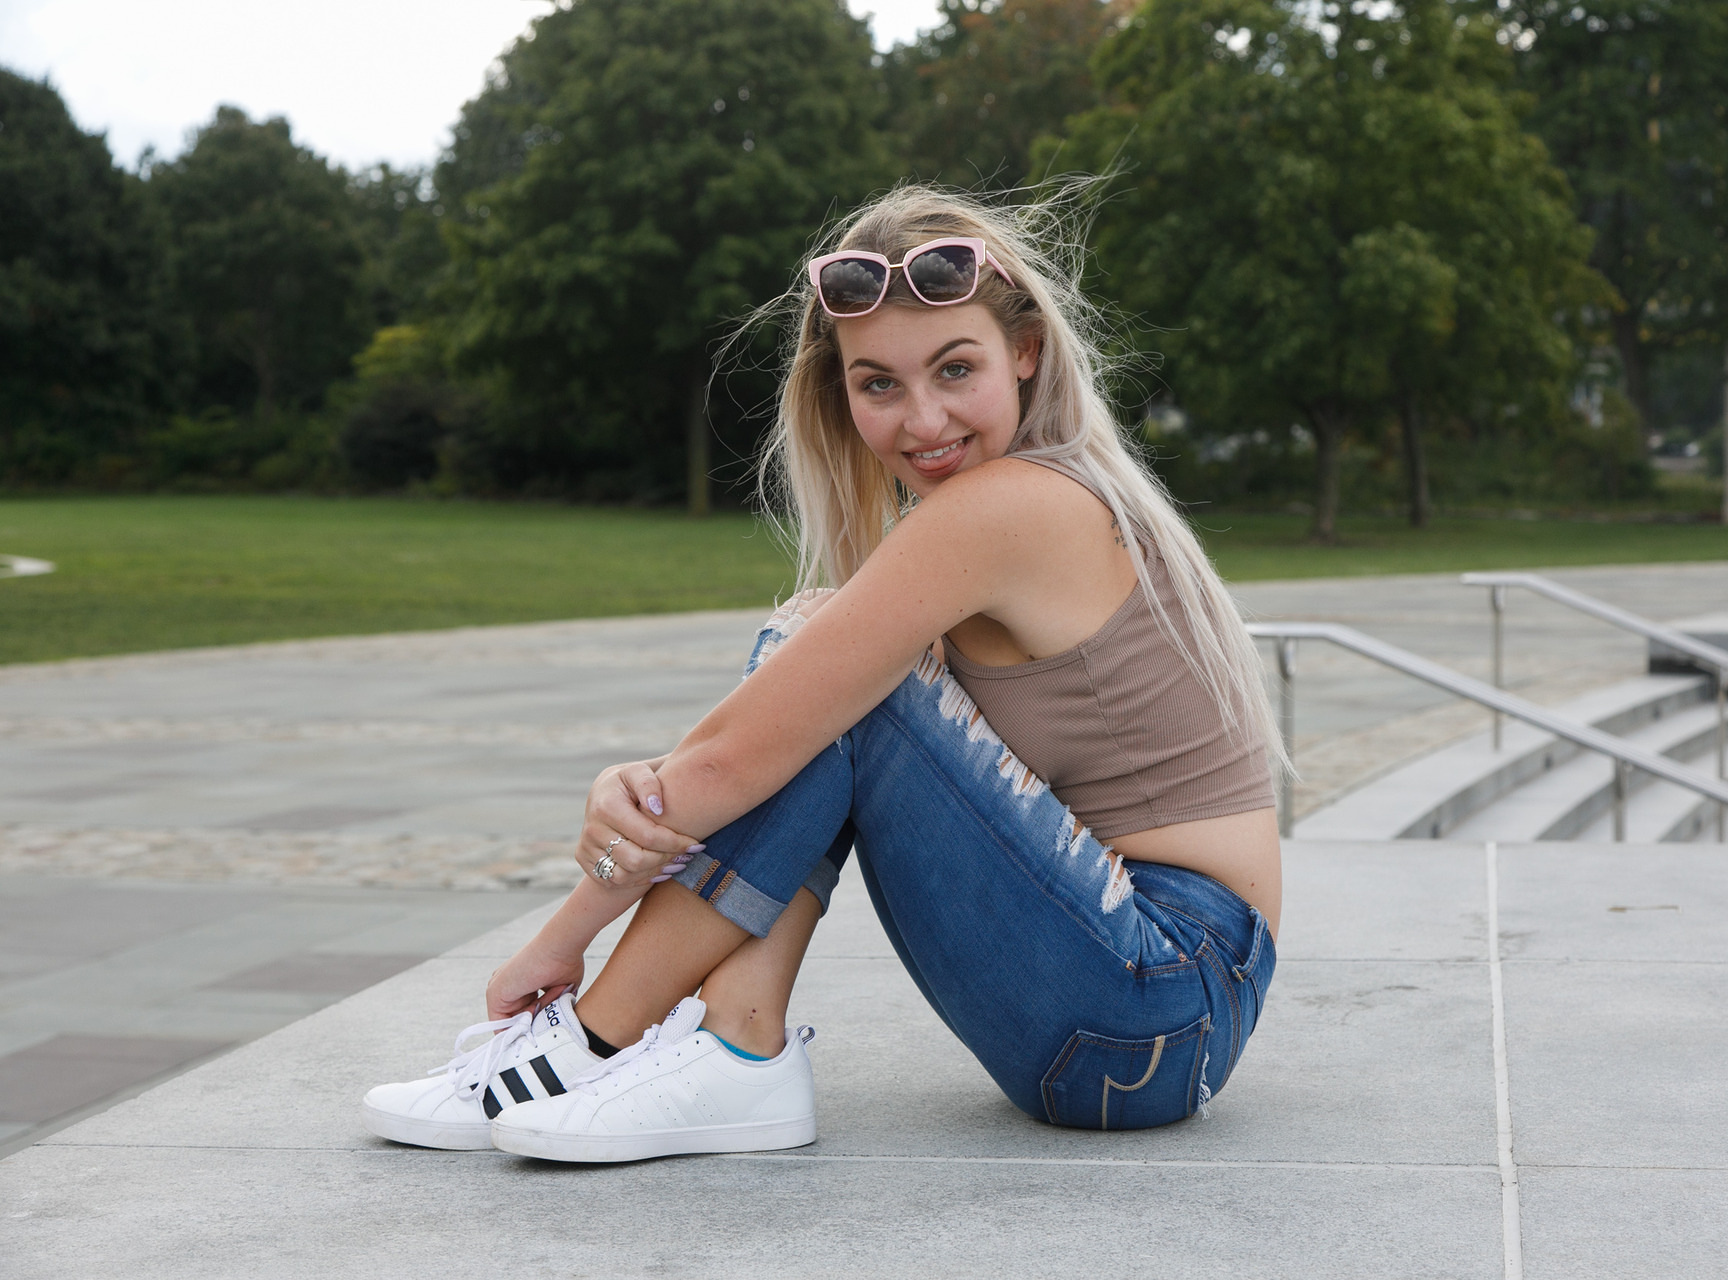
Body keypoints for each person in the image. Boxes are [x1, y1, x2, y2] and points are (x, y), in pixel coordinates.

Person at [362, 185, 1284, 1163]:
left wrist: (562, 937)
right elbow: (751, 747)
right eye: (879, 383)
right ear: (839, 391)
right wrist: (643, 785)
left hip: (1160, 993)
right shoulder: (1021, 503)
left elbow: (739, 757)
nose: (922, 418)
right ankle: (732, 1042)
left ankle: (595, 1040)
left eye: (956, 367)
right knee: (821, 665)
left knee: (836, 676)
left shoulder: (1012, 507)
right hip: (1141, 1028)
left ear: (1024, 351)